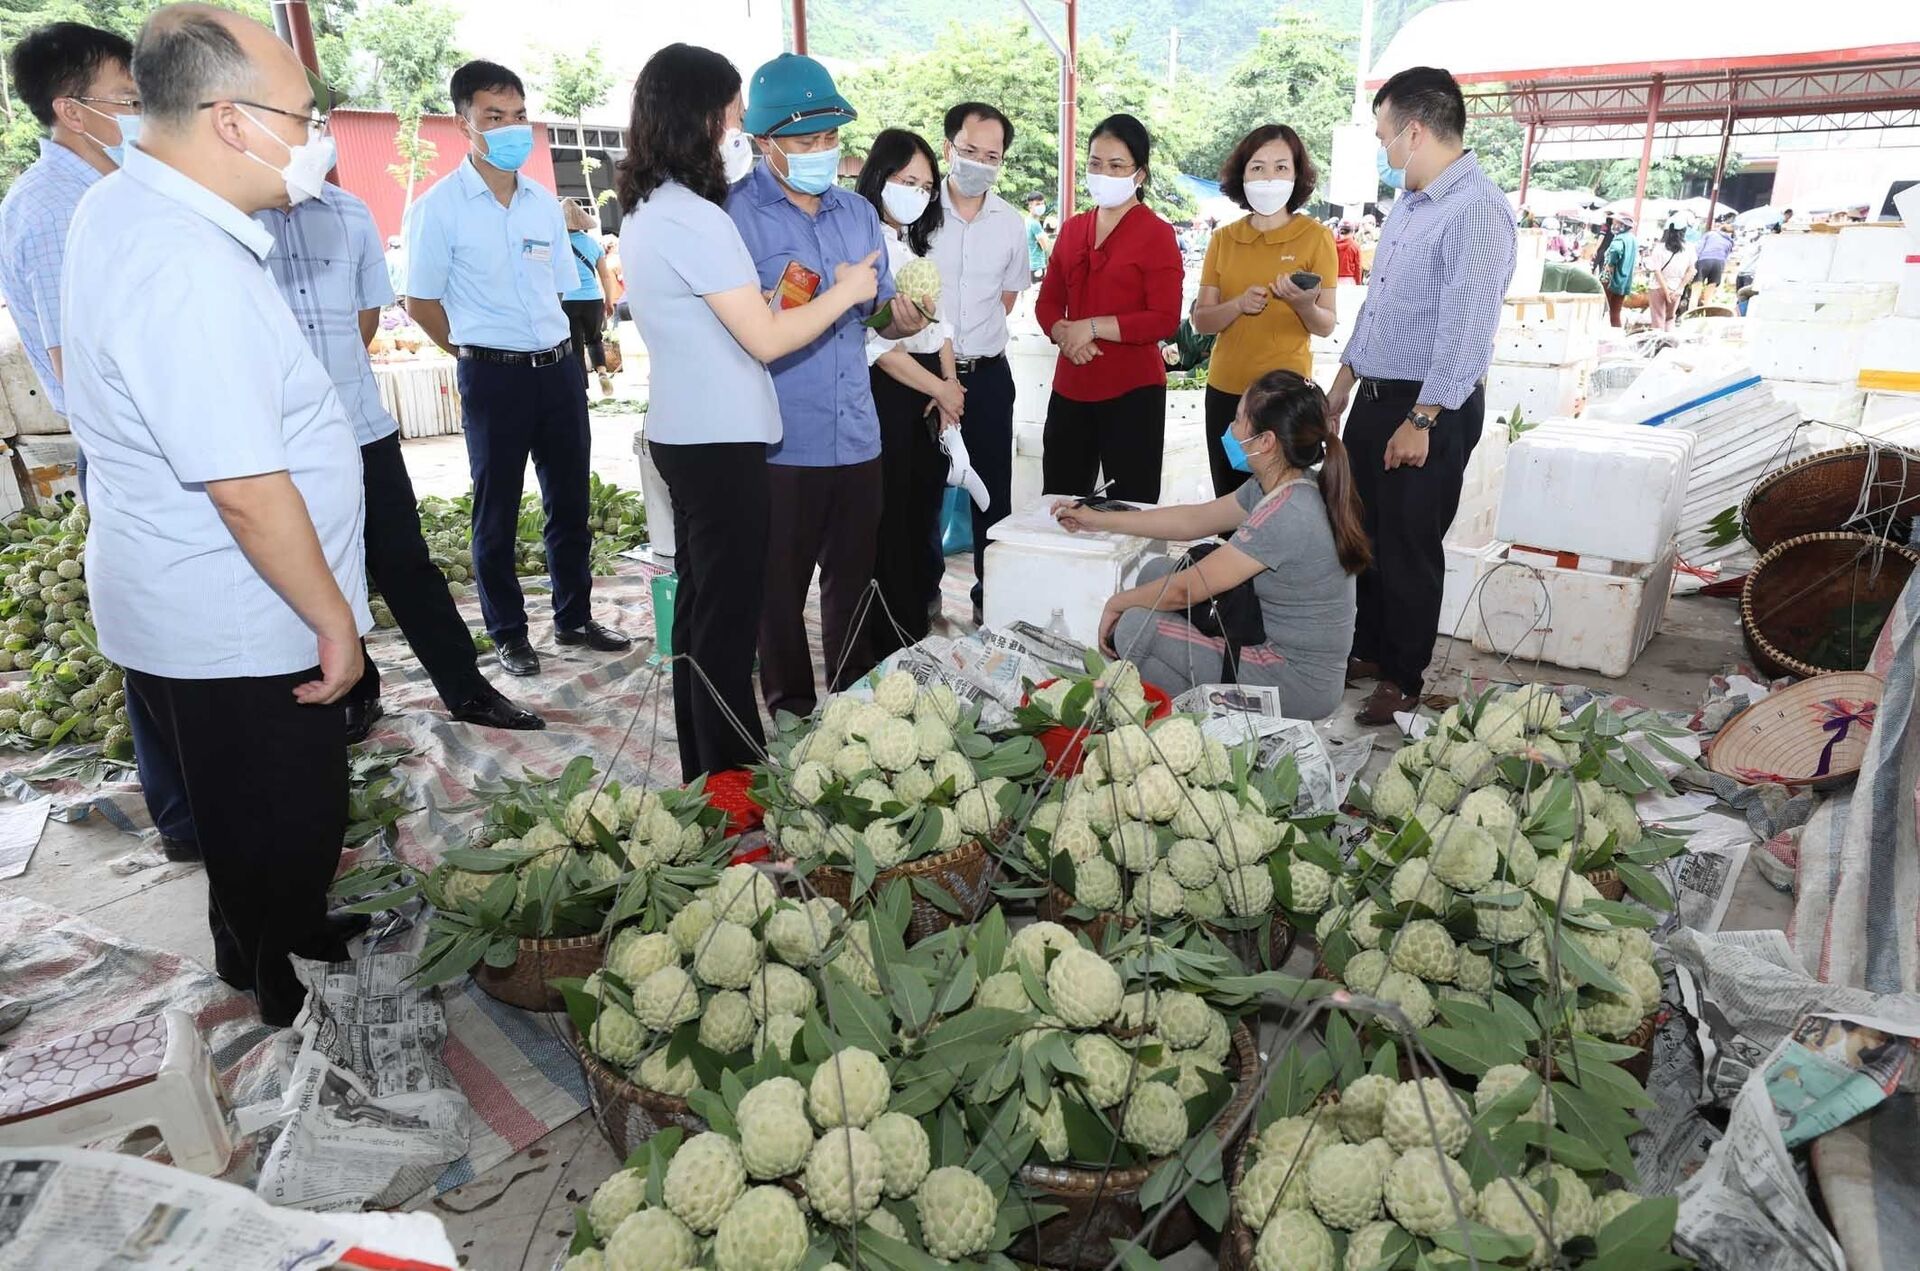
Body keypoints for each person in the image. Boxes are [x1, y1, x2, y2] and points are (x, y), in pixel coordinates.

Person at [64, 3, 372, 1024]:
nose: (315, 137)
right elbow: (244, 486)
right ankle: (290, 983)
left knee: (239, 808)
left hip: (189, 591)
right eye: (303, 114)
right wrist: (334, 620)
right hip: (239, 611)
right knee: (283, 814)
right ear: (232, 121)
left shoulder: (130, 207)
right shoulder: (181, 263)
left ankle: (262, 943)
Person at [614, 44, 880, 777]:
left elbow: (728, 319)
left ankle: (708, 767)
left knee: (702, 619)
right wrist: (848, 291)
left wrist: (785, 297)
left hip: (685, 426)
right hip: (720, 438)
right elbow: (765, 340)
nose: (734, 132)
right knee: (728, 627)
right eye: (732, 118)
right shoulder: (696, 218)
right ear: (698, 118)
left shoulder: (650, 207)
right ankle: (733, 778)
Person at [0, 21, 202, 864]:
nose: (142, 111)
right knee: (159, 644)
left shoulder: (120, 183)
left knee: (178, 638)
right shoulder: (50, 211)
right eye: (129, 98)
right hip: (131, 451)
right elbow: (71, 363)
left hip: (161, 440)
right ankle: (190, 822)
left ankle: (201, 809)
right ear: (71, 110)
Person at [252, 177, 544, 737]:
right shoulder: (234, 211)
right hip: (274, 439)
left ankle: (467, 688)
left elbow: (367, 317)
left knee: (406, 563)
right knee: (316, 567)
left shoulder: (348, 210)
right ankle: (356, 692)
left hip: (360, 424)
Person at [405, 59, 630, 679]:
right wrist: (472, 353)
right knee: (497, 510)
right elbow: (420, 303)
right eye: (493, 117)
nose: (509, 128)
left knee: (570, 501)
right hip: (493, 377)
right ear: (464, 124)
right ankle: (508, 633)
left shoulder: (541, 205)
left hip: (557, 371)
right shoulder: (439, 208)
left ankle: (574, 618)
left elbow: (562, 289)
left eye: (518, 116)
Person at [726, 53, 925, 718]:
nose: (822, 153)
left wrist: (903, 318)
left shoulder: (857, 213)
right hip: (785, 436)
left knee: (853, 580)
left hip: (856, 432)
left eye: (831, 140)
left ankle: (852, 703)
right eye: (806, 142)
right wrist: (839, 295)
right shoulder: (736, 218)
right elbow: (741, 327)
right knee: (778, 587)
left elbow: (877, 315)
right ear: (765, 144)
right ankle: (788, 705)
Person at [1325, 65, 1516, 726]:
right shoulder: (1410, 203)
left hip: (1429, 402)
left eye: (1384, 138)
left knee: (1409, 540)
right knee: (1364, 530)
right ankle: (1371, 649)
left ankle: (1404, 674)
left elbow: (1468, 329)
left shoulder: (1479, 209)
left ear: (1414, 130)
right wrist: (1345, 381)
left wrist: (1423, 418)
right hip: (1378, 395)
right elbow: (1380, 307)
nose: (1384, 154)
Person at [1050, 371, 1367, 718]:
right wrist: (1097, 517)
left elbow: (1185, 590)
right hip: (1270, 637)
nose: (1230, 430)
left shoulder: (1288, 512)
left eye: (1238, 420)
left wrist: (1115, 603)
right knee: (1155, 573)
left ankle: (1191, 722)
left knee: (1135, 626)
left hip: (1295, 681)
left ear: (1266, 442)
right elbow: (1192, 520)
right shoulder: (1282, 482)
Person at [1035, 114, 1182, 502]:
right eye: (1095, 164)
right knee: (1060, 502)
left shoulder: (1157, 233)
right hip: (1070, 386)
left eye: (1116, 165)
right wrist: (1064, 333)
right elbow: (1048, 301)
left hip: (1132, 393)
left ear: (1140, 175)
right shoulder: (1072, 228)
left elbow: (1164, 318)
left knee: (1130, 507)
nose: (1104, 173)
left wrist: (1093, 327)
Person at [855, 127, 959, 657]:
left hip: (924, 391)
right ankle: (888, 642)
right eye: (904, 180)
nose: (915, 192)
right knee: (892, 522)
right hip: (890, 394)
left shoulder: (911, 245)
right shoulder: (864, 242)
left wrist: (951, 384)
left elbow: (938, 327)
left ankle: (914, 628)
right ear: (879, 178)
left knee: (922, 514)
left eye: (924, 183)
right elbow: (877, 346)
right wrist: (941, 388)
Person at [1189, 124, 1337, 497]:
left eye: (1281, 167)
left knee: (1282, 504)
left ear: (1297, 174)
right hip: (1227, 394)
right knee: (1230, 501)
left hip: (1286, 401)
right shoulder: (1223, 238)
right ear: (1242, 174)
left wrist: (1304, 305)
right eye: (1258, 167)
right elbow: (1200, 319)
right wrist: (1237, 305)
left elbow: (1325, 324)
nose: (1269, 177)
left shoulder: (1316, 238)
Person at [928, 101, 1030, 626]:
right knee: (921, 491)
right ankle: (921, 601)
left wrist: (971, 350)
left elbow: (1007, 298)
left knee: (993, 497)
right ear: (949, 148)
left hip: (988, 376)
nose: (978, 163)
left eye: (991, 156)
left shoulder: (1011, 224)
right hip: (923, 380)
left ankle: (991, 602)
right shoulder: (918, 214)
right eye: (969, 151)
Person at [560, 198, 616, 392]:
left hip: (570, 300)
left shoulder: (559, 244)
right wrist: (608, 300)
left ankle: (581, 390)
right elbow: (605, 276)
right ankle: (601, 372)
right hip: (593, 299)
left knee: (575, 347)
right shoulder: (593, 244)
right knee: (594, 338)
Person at [1646, 220, 1695, 330]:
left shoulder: (1659, 247)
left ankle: (1657, 345)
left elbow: (1657, 271)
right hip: (1676, 287)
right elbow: (1691, 270)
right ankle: (1669, 345)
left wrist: (1665, 290)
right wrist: (1679, 289)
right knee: (1670, 318)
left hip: (1657, 287)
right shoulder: (1690, 248)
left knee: (1658, 318)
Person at [1600, 213, 1638, 327]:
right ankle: (1615, 336)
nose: (1613, 224)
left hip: (1611, 279)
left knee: (1600, 309)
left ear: (1622, 225)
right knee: (1615, 313)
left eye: (1616, 222)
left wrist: (1610, 264)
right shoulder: (1632, 239)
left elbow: (1615, 250)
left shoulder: (1620, 239)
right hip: (1624, 281)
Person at [1695, 218, 1734, 289]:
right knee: (1710, 291)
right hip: (1719, 263)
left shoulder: (1710, 234)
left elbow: (1699, 248)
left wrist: (1696, 261)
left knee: (1696, 290)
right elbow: (1727, 257)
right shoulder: (1730, 242)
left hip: (1704, 259)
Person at [1025, 191, 1051, 283]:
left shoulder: (1026, 221)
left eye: (1042, 203)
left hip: (1027, 265)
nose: (1041, 206)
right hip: (1037, 266)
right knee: (1036, 295)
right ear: (1030, 206)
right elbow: (1045, 246)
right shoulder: (1035, 224)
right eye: (1037, 204)